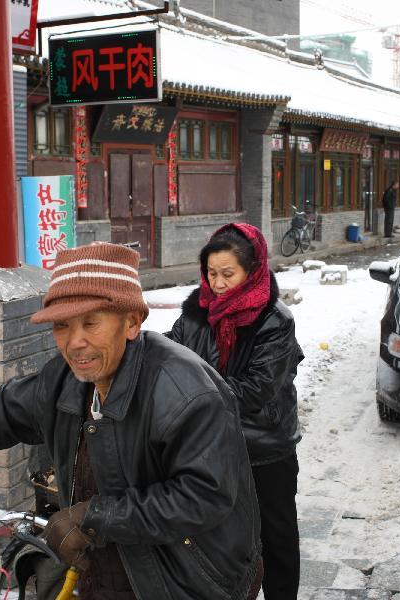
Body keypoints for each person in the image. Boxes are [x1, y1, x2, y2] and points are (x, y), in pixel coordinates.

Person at [0, 243, 263, 600]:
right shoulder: (65, 379)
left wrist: (94, 516)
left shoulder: (186, 392)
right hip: (103, 564)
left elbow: (204, 496)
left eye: (91, 323)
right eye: (61, 326)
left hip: (183, 577)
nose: (75, 342)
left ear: (132, 321)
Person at [165, 223, 304, 600]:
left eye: (228, 274)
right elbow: (170, 355)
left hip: (263, 449)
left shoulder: (274, 320)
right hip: (210, 449)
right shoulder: (197, 312)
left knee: (275, 540)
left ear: (252, 269)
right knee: (217, 542)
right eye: (212, 274)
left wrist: (193, 398)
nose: (219, 284)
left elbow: (257, 390)